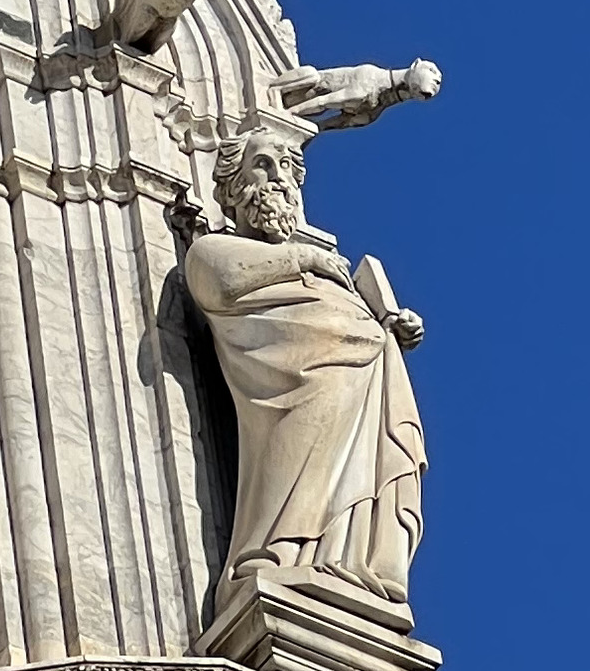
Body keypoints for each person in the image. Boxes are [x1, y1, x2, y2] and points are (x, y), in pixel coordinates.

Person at [179, 124, 423, 612]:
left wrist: (390, 324)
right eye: (263, 165)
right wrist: (306, 258)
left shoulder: (324, 268)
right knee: (291, 484)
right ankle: (275, 555)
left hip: (361, 390)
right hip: (289, 391)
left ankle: (354, 562)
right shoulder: (214, 250)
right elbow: (222, 284)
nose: (279, 178)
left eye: (288, 168)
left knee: (372, 461)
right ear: (232, 186)